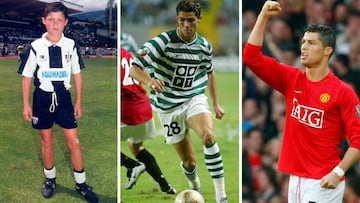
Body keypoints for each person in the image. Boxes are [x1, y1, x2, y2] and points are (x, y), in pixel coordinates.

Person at [243, 1, 360, 202]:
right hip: (295, 179)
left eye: (312, 43)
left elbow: (357, 141)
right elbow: (251, 57)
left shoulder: (343, 91)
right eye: (303, 41)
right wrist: (263, 15)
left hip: (323, 179)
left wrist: (338, 171)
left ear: (327, 51)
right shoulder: (292, 78)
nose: (304, 47)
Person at [129, 1, 227, 202]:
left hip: (193, 98)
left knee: (208, 136)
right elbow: (134, 68)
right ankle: (194, 185)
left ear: (198, 19)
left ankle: (221, 196)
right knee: (189, 162)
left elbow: (210, 71)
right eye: (182, 20)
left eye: (191, 20)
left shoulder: (204, 46)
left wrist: (216, 104)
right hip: (168, 107)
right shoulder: (161, 42)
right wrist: (149, 81)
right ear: (177, 20)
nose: (186, 25)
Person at [17, 2, 98, 202]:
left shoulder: (71, 45)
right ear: (44, 21)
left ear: (65, 22)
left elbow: (77, 74)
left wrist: (78, 101)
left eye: (59, 20)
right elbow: (27, 77)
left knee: (74, 142)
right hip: (42, 99)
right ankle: (50, 180)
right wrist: (26, 104)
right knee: (47, 141)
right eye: (51, 20)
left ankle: (81, 184)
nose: (55, 24)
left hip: (64, 99)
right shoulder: (35, 47)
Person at [120, 47, 176, 194]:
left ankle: (131, 164)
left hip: (127, 110)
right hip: (144, 108)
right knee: (136, 147)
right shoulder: (126, 53)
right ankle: (165, 185)